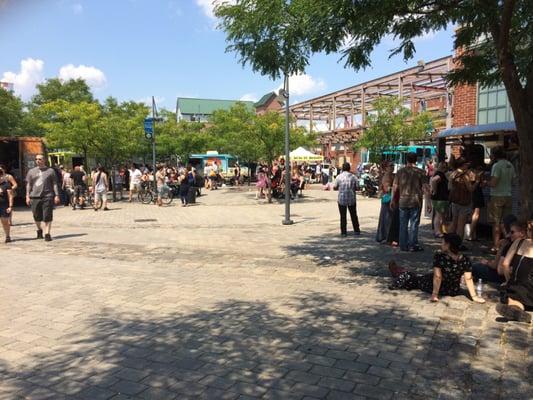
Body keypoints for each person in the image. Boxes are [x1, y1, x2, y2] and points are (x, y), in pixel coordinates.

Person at [388, 233, 485, 304]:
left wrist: (435, 294)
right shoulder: (465, 259)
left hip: (438, 287)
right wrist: (474, 296)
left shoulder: (440, 256)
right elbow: (468, 278)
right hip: (453, 289)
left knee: (414, 279)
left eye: (443, 243)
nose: (441, 244)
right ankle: (399, 270)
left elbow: (438, 276)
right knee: (419, 276)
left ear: (448, 245)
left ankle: (399, 273)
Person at [497, 217, 533, 324]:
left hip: (518, 288)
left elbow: (505, 264)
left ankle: (517, 309)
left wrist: (509, 281)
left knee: (513, 297)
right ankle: (519, 312)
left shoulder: (519, 242)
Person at [391, 152, 430, 252]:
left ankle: (403, 245)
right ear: (416, 160)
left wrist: (392, 200)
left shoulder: (400, 172)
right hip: (415, 201)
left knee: (403, 224)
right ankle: (413, 245)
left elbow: (395, 187)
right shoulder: (420, 172)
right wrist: (429, 202)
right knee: (414, 224)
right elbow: (425, 187)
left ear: (406, 159)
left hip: (403, 200)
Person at [472, 217, 524, 283]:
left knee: (475, 267)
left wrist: (487, 262)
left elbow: (497, 267)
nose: (510, 234)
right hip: (513, 276)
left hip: (503, 277)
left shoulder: (508, 244)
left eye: (512, 232)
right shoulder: (525, 243)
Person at [487, 146, 516, 253]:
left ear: (494, 155)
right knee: (506, 223)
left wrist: (486, 183)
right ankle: (509, 245)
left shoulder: (496, 165)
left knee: (496, 223)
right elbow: (513, 181)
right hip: (508, 195)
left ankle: (496, 246)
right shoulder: (510, 165)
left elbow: (494, 183)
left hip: (497, 196)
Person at [25, 154, 60, 241]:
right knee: (36, 216)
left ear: (44, 160)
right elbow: (28, 184)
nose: (38, 161)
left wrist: (57, 195)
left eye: (40, 159)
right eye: (36, 159)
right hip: (34, 196)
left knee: (47, 215)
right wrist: (27, 196)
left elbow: (54, 183)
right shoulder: (31, 171)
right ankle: (39, 230)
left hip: (47, 196)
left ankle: (47, 233)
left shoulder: (50, 171)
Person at [448, 158, 477, 243]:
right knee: (461, 225)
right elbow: (470, 189)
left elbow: (450, 187)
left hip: (454, 200)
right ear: (463, 165)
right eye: (466, 164)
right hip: (464, 201)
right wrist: (477, 182)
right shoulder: (464, 175)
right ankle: (458, 244)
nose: (468, 166)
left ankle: (448, 241)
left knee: (454, 223)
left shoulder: (453, 173)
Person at [333, 162, 360, 237]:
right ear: (349, 168)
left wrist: (339, 188)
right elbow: (358, 188)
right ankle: (356, 230)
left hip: (342, 199)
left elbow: (335, 187)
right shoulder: (354, 177)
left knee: (343, 216)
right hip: (351, 198)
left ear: (342, 168)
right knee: (354, 215)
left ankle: (344, 232)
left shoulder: (339, 177)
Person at [430, 161, 449, 238]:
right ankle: (437, 231)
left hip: (439, 198)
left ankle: (440, 230)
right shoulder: (439, 174)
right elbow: (434, 180)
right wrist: (434, 190)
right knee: (439, 215)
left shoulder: (438, 173)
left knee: (440, 215)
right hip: (440, 198)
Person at [376, 162, 394, 243]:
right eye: (390, 166)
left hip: (388, 198)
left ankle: (385, 236)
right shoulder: (387, 176)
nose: (392, 167)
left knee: (387, 218)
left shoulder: (391, 175)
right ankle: (386, 237)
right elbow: (387, 189)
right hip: (388, 198)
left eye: (392, 166)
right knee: (387, 219)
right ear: (386, 167)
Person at [0, 166, 14, 243]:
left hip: (3, 205)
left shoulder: (6, 185)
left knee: (4, 221)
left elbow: (10, 196)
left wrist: (10, 206)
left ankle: (7, 236)